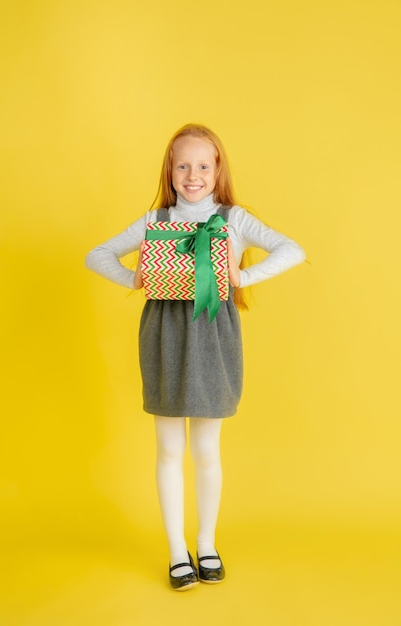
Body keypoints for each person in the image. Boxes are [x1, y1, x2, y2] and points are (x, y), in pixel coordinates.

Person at [85, 123, 306, 591]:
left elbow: (293, 249)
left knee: (206, 450)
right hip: (164, 335)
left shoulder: (234, 218)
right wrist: (133, 279)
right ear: (169, 169)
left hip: (214, 336)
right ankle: (177, 551)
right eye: (183, 164)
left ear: (218, 169)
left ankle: (206, 543)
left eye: (203, 165)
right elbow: (97, 255)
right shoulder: (155, 221)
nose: (193, 175)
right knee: (168, 448)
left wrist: (242, 278)